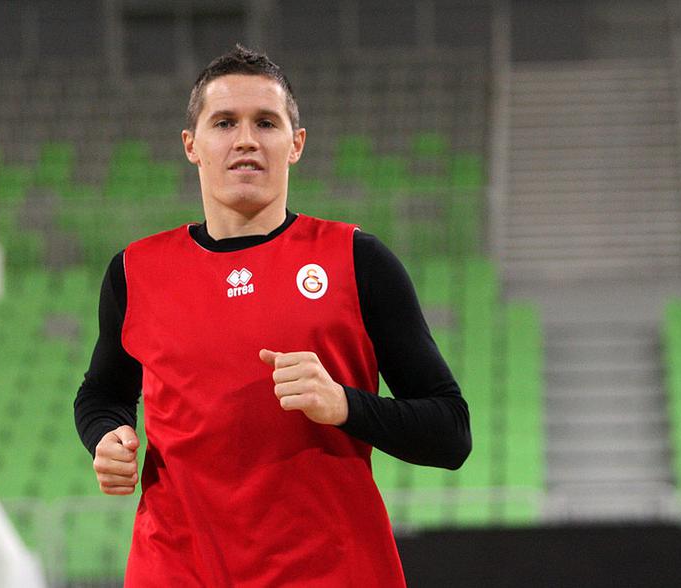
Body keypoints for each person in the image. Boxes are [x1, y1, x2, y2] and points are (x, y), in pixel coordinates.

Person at [74, 44, 471, 587]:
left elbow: (451, 432)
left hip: (331, 574)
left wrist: (345, 405)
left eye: (265, 122)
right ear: (192, 145)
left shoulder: (357, 260)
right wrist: (106, 436)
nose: (245, 140)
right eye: (224, 123)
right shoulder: (134, 271)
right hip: (178, 571)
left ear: (296, 143)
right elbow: (101, 393)